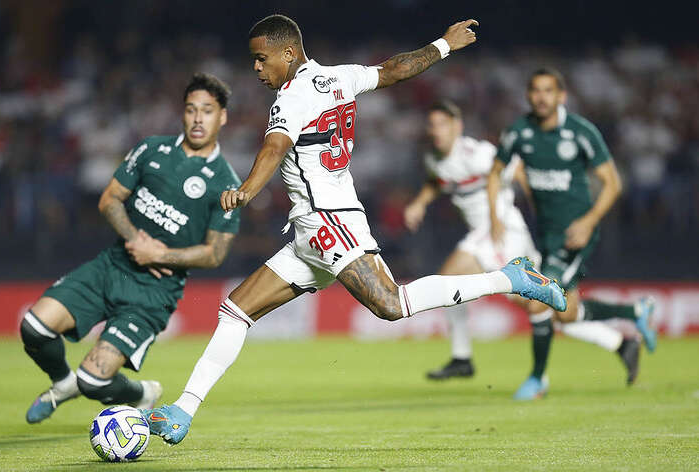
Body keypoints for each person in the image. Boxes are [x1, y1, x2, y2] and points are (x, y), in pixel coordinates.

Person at [143, 14, 566, 444]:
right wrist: (442, 45)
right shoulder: (337, 77)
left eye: (261, 59)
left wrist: (247, 190)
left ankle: (511, 277)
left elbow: (274, 146)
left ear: (288, 53)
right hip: (311, 229)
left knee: (391, 305)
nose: (256, 68)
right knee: (236, 309)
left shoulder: (292, 97)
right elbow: (392, 70)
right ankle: (183, 410)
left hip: (328, 220)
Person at [20, 73, 242, 423]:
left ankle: (142, 393)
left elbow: (215, 254)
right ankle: (63, 383)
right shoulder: (151, 149)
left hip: (153, 292)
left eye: (208, 111)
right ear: (182, 113)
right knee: (34, 327)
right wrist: (135, 239)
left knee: (93, 382)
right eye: (191, 109)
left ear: (223, 116)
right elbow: (110, 200)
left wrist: (161, 255)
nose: (198, 118)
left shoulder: (226, 182)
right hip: (112, 265)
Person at [404, 100, 641, 384]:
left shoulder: (477, 153)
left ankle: (462, 357)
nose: (436, 131)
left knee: (447, 278)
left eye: (442, 124)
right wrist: (418, 203)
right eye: (432, 125)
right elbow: (438, 181)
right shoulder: (435, 159)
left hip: (502, 230)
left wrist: (537, 209)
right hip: (491, 236)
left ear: (457, 126)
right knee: (539, 305)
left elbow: (516, 170)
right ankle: (619, 342)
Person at [488, 67, 657, 400]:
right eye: (535, 90)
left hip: (575, 234)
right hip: (546, 234)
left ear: (561, 96)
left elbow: (613, 184)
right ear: (528, 95)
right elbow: (495, 173)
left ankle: (537, 380)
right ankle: (634, 315)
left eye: (548, 90)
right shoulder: (519, 132)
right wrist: (495, 217)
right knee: (566, 313)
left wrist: (589, 221)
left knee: (538, 301)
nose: (541, 96)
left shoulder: (580, 132)